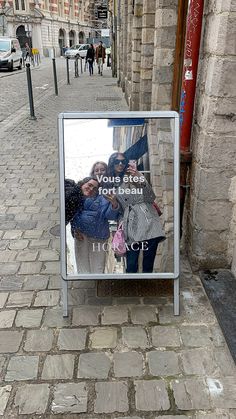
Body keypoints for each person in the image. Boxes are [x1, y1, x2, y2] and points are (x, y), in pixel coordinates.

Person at [107, 152, 165, 273]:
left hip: (147, 218)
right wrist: (114, 204)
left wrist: (139, 178)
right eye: (117, 161)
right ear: (112, 164)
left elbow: (150, 197)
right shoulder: (110, 183)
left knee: (148, 263)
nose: (121, 164)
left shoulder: (133, 175)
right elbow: (115, 211)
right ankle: (132, 289)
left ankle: (146, 289)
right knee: (131, 264)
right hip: (130, 224)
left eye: (123, 161)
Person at [71, 176, 119, 274]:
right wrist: (74, 228)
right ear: (83, 184)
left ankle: (96, 286)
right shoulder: (75, 196)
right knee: (82, 267)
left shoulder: (103, 199)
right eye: (89, 185)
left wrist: (114, 203)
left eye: (95, 188)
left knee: (98, 268)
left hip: (99, 237)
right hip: (82, 236)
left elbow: (111, 216)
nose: (91, 189)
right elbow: (71, 215)